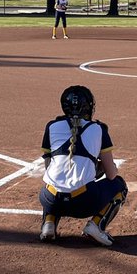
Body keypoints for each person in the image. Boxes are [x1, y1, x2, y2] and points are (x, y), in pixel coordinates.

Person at [38, 85, 129, 247]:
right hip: (83, 203)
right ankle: (96, 226)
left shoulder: (51, 126)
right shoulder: (99, 129)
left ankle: (49, 223)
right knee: (119, 185)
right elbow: (111, 175)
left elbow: (48, 167)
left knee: (53, 181)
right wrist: (98, 167)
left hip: (50, 199)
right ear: (89, 107)